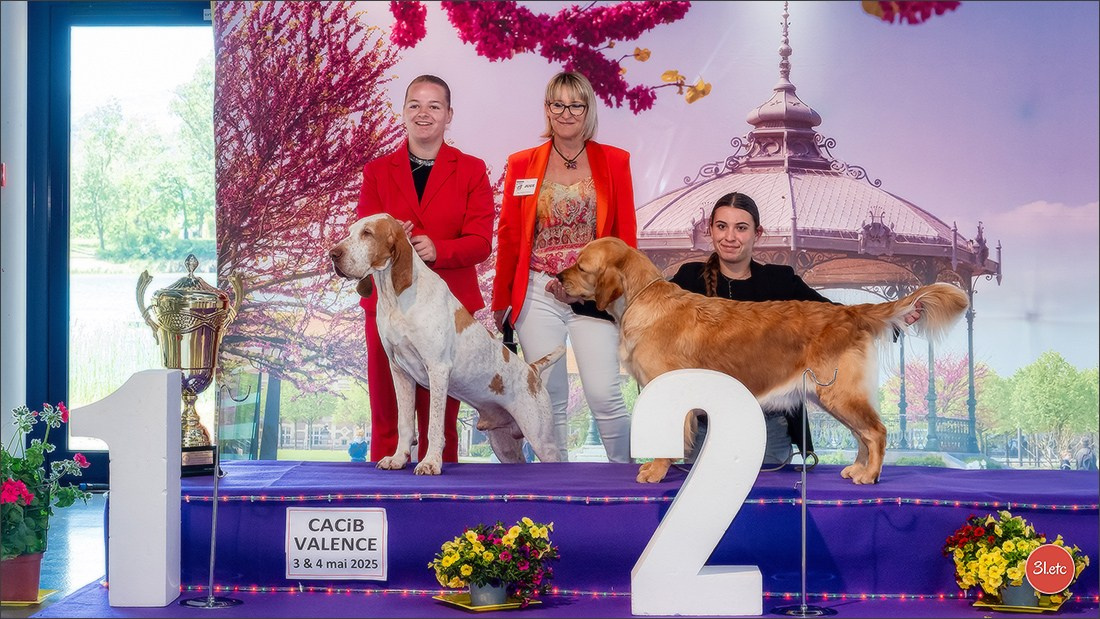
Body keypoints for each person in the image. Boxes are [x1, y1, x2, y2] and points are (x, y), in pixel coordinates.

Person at [670, 192, 921, 468]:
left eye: (741, 228)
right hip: (703, 431)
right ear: (710, 230)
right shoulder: (687, 280)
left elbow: (835, 316)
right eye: (721, 226)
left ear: (758, 233)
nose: (729, 237)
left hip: (769, 432)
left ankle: (871, 450)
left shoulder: (780, 281)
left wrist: (892, 321)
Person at [492, 71, 637, 463]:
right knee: (549, 399)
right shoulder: (521, 163)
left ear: (588, 109)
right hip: (537, 292)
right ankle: (555, 488)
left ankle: (627, 484)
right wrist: (501, 299)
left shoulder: (615, 161)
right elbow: (508, 236)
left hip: (593, 295)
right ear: (547, 109)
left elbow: (625, 241)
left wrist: (623, 297)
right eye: (558, 104)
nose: (567, 113)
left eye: (576, 104)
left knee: (605, 393)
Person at [357, 75, 494, 463]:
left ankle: (439, 496)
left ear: (449, 115)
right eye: (415, 104)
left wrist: (439, 249)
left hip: (450, 309)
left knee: (443, 421)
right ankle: (384, 492)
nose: (424, 113)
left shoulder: (471, 169)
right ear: (402, 112)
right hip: (387, 305)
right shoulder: (377, 171)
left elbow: (482, 242)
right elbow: (363, 237)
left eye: (434, 106)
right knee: (385, 416)